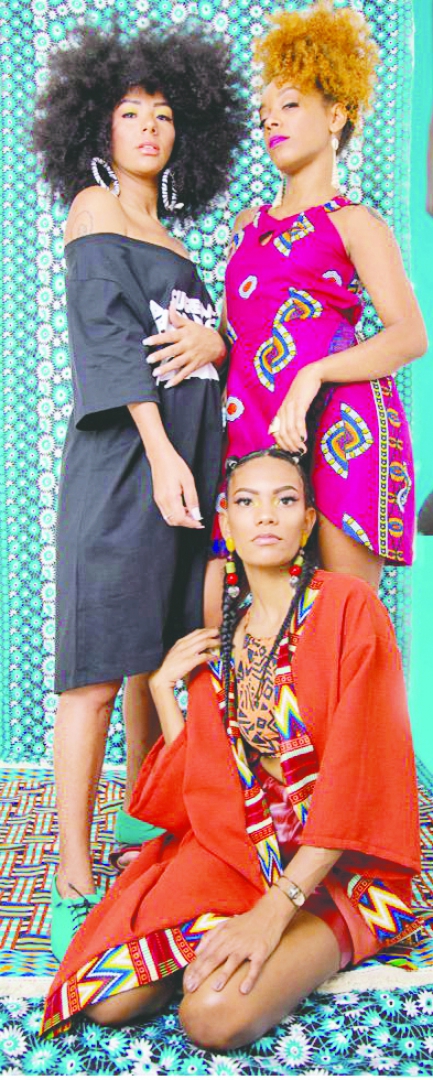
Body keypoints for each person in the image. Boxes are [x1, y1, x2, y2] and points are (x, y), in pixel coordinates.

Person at [41, 449, 421, 1048]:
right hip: (242, 848)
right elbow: (207, 783)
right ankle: (214, 931)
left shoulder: (351, 608)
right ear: (226, 522)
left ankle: (305, 935)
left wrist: (273, 913)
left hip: (340, 865)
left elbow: (358, 780)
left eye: (285, 500)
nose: (266, 515)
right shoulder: (223, 636)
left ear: (308, 521)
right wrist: (165, 693)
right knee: (110, 1001)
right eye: (247, 501)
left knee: (212, 1017)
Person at [32, 23, 247, 959]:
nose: (149, 127)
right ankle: (72, 871)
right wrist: (160, 452)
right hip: (128, 470)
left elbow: (199, 346)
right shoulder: (95, 210)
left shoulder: (175, 241)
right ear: (100, 128)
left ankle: (143, 816)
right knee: (94, 672)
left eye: (162, 114)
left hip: (189, 470)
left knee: (157, 655)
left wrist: (220, 339)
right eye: (130, 114)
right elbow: (111, 345)